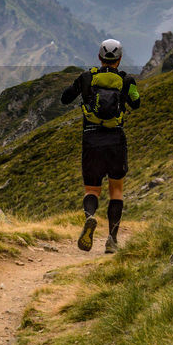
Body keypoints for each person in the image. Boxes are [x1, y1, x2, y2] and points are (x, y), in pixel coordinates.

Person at [60, 39, 141, 252]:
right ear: (120, 59)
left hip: (91, 140)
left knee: (92, 190)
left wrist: (80, 86)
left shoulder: (87, 77)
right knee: (116, 191)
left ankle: (90, 217)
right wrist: (130, 89)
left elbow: (65, 98)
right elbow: (136, 103)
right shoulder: (127, 80)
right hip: (116, 141)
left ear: (99, 57)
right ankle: (112, 241)